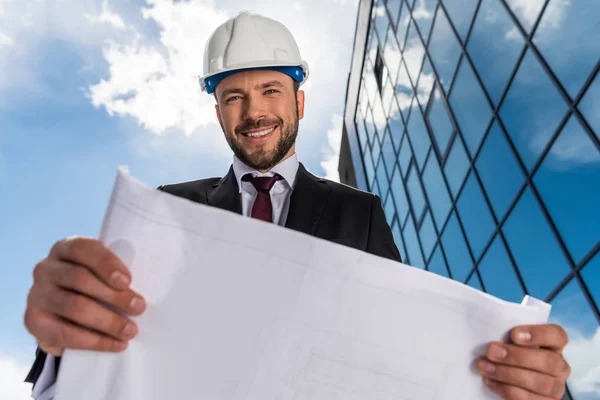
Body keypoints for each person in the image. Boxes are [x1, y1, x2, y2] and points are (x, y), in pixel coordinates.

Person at [24, 11, 571, 400]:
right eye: (233, 97)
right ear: (218, 113)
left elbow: (397, 340)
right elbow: (119, 347)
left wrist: (503, 378)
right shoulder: (169, 206)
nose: (253, 111)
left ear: (300, 102)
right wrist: (63, 343)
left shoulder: (358, 212)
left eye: (270, 90)